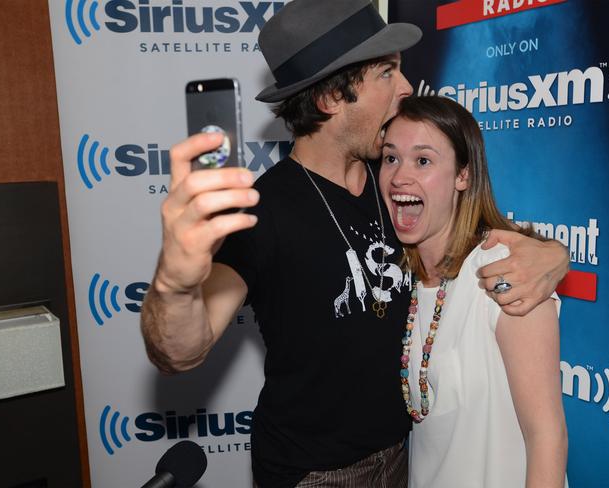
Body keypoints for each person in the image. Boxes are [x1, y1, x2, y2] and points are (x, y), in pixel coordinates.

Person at [140, 1, 569, 486]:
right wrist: (175, 284)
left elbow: (472, 229)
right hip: (315, 475)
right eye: (386, 72)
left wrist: (553, 254)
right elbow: (179, 351)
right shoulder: (261, 211)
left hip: (405, 456)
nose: (406, 88)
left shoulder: (393, 178)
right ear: (330, 98)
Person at [379, 95, 567, 487]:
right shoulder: (405, 279)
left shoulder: (503, 268)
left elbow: (546, 437)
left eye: (423, 160)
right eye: (391, 157)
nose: (399, 176)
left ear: (463, 176)